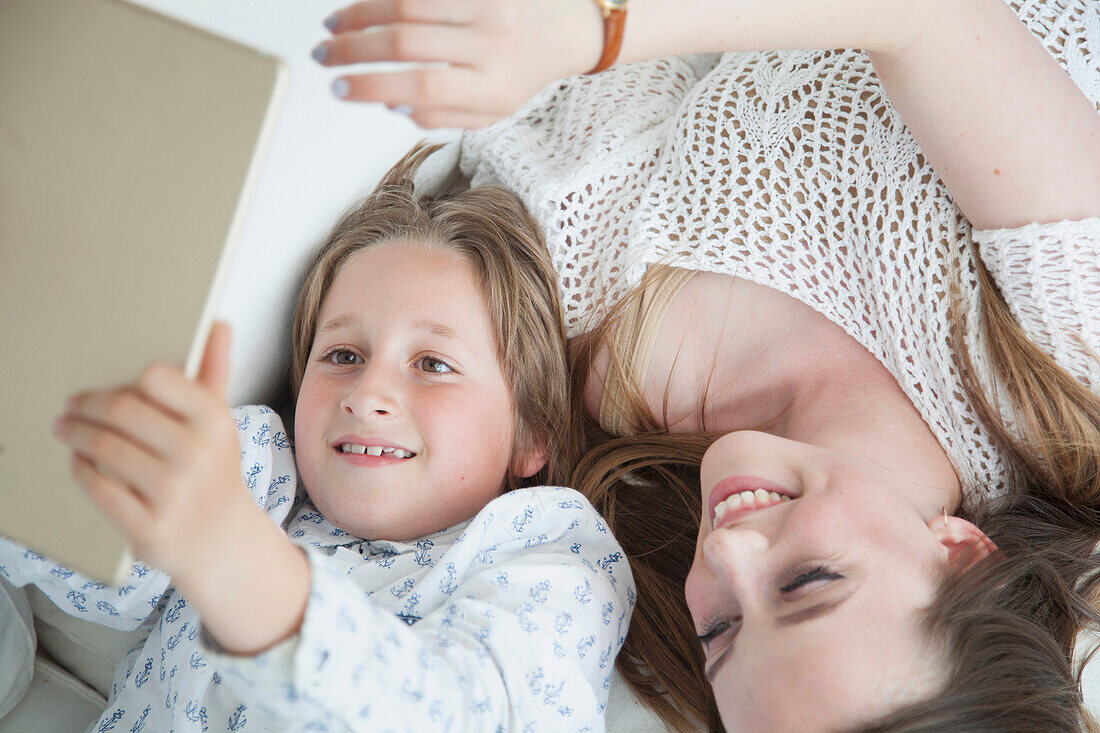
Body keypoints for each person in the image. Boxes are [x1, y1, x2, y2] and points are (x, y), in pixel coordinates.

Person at [313, 0, 1100, 729]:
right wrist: (589, 29)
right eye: (808, 583)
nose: (724, 554)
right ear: (961, 552)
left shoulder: (595, 436)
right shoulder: (1058, 376)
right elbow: (924, 14)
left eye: (720, 629)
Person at [0, 144, 634, 732]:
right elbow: (96, 560)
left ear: (531, 433)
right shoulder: (254, 470)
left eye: (433, 364)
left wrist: (234, 558)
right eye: (342, 354)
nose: (365, 394)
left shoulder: (549, 557)